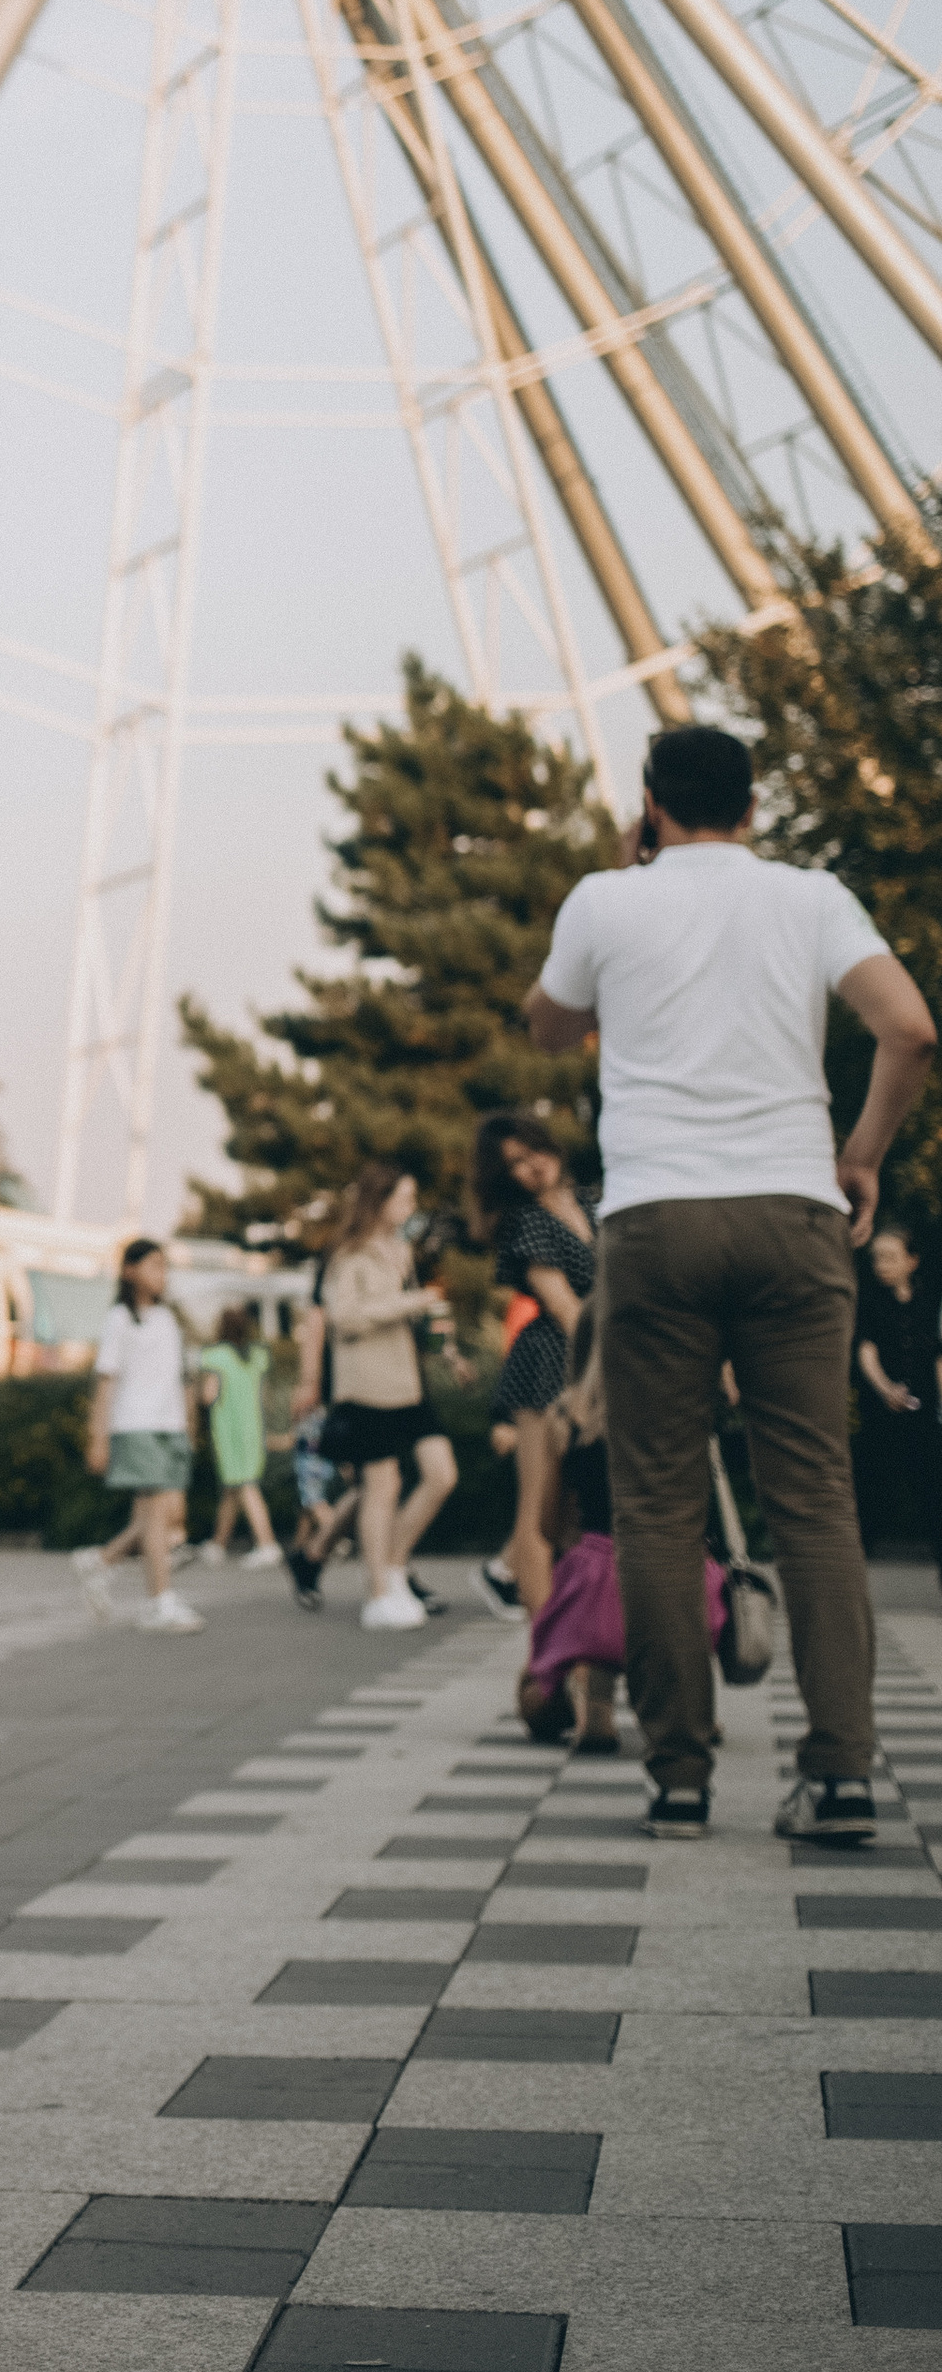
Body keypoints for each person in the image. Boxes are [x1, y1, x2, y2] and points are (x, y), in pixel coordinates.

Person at [527, 720, 936, 1843]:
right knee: (814, 1496)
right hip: (792, 1213)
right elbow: (908, 1029)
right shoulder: (811, 898)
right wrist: (860, 1155)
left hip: (655, 1220)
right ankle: (841, 1774)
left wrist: (627, 883)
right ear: (754, 808)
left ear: (650, 803)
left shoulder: (605, 901)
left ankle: (679, 1778)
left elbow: (547, 1027)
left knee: (656, 1503)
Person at [469, 1114, 610, 1741]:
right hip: (550, 1364)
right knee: (539, 1513)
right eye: (515, 1165)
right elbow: (566, 1309)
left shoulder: (597, 1200)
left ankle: (590, 1654)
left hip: (602, 1367)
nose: (532, 1167)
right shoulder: (524, 1225)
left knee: (586, 1516)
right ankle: (553, 1655)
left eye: (534, 1152)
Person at [318, 1167, 457, 1633]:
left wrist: (447, 1350)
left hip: (408, 1384)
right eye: (405, 1197)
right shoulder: (349, 1256)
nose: (412, 1206)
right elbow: (344, 1317)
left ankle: (393, 1567)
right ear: (379, 1201)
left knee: (441, 1473)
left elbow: (415, 1317)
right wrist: (410, 1302)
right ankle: (377, 1595)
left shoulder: (403, 1252)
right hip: (366, 1387)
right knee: (383, 1487)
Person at [74, 1238, 201, 1633]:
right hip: (135, 1426)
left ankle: (100, 1562)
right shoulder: (119, 1319)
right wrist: (98, 1436)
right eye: (153, 1265)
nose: (161, 1274)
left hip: (169, 1427)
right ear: (130, 1271)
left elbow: (181, 1378)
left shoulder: (167, 1319)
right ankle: (160, 1601)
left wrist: (189, 1425)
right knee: (158, 1515)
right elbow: (106, 1380)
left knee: (159, 1518)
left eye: (165, 1266)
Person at [857, 1225, 942, 1583]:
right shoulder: (869, 1302)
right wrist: (885, 1389)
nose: (882, 1265)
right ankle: (856, 1569)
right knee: (872, 1488)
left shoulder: (929, 1301)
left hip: (925, 1412)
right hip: (881, 1412)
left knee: (933, 1490)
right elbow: (866, 1350)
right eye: (877, 1258)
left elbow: (937, 1357)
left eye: (891, 1257)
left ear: (912, 1261)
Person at [193, 1302, 280, 1570]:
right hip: (253, 1428)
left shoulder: (216, 1356)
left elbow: (208, 1396)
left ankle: (267, 1544)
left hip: (229, 1431)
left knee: (244, 1484)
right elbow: (265, 1396)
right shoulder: (257, 1356)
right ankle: (218, 1544)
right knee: (233, 1487)